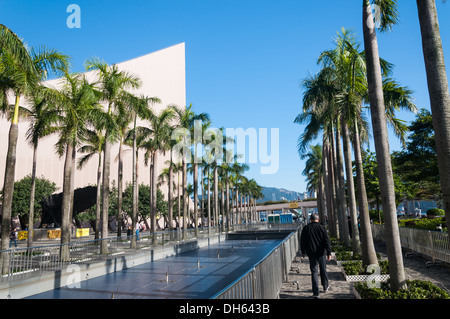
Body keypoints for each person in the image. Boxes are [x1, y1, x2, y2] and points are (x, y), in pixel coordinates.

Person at [300, 213, 331, 298]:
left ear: (310, 219)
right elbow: (326, 241)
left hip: (311, 252)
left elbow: (303, 241)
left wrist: (303, 251)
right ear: (318, 219)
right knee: (323, 269)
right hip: (321, 252)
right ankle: (325, 286)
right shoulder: (322, 228)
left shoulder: (306, 228)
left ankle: (316, 292)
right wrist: (329, 253)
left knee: (314, 271)